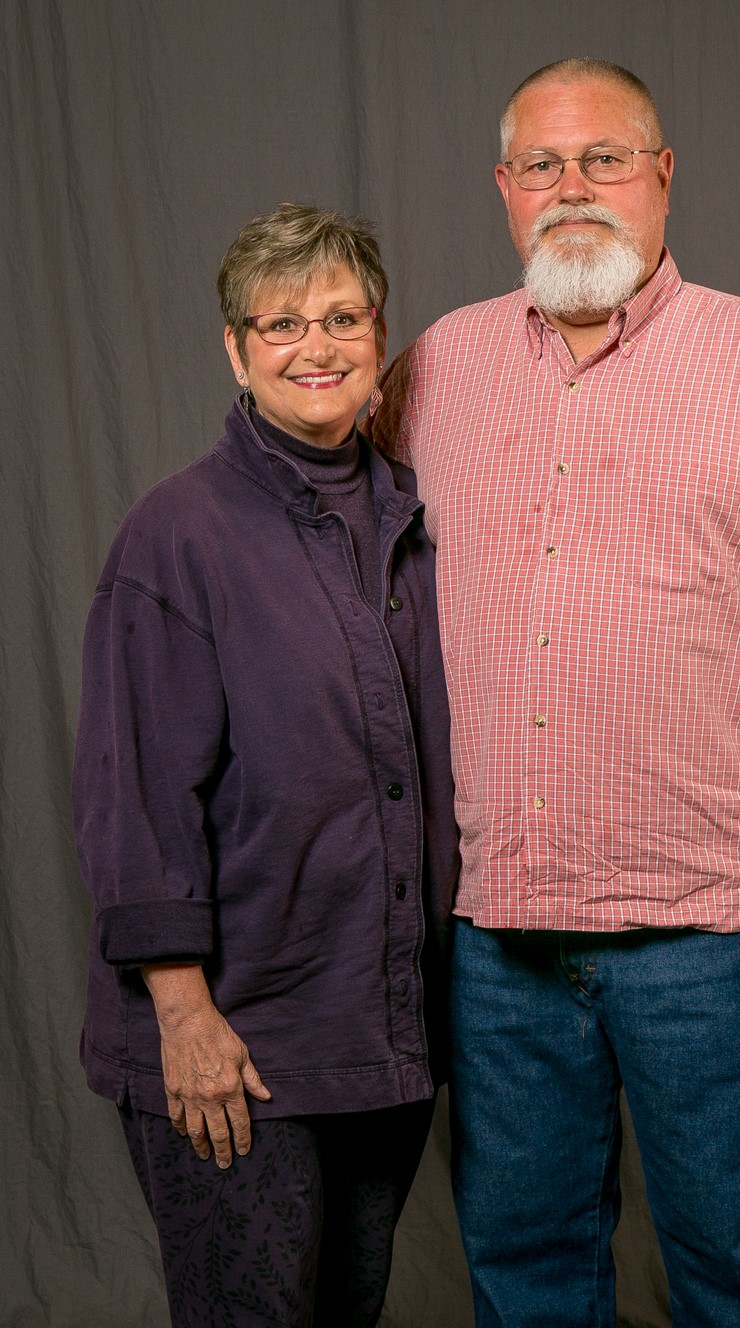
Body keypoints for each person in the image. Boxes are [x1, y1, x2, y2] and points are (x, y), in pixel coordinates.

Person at [372, 58, 740, 1328]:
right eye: (541, 166)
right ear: (505, 191)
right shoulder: (436, 370)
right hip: (498, 939)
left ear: (663, 177)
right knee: (524, 1280)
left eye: (605, 159)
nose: (574, 190)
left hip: (718, 936)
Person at [73, 202, 458, 1328]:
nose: (317, 346)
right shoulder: (177, 535)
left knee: (345, 1306)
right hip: (236, 1037)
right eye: (281, 322)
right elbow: (132, 797)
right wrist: (183, 1013)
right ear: (235, 351)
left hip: (376, 1024)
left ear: (380, 338)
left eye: (342, 316)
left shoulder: (410, 519)